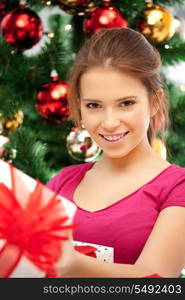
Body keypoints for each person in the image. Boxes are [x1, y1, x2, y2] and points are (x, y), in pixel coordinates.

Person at [47, 27, 185, 278]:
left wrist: (69, 262)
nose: (109, 122)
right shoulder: (61, 183)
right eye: (94, 105)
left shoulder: (177, 187)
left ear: (154, 102)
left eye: (126, 103)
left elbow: (157, 283)